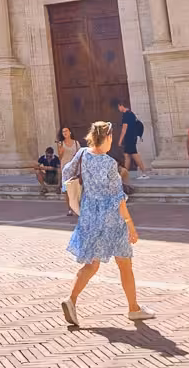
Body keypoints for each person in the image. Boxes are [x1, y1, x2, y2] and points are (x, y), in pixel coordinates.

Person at [62, 121, 153, 327]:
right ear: (108, 137)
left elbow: (67, 172)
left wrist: (76, 196)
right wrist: (130, 225)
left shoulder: (83, 154)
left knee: (91, 263)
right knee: (124, 262)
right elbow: (118, 198)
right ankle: (133, 308)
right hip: (111, 219)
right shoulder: (109, 163)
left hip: (89, 216)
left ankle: (71, 300)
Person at [116, 101, 146, 175]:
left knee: (134, 155)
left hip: (130, 138)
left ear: (121, 105)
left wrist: (120, 140)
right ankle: (125, 174)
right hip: (132, 137)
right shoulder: (131, 113)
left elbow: (124, 129)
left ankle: (144, 172)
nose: (118, 109)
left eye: (118, 107)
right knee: (127, 155)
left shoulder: (126, 115)